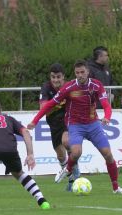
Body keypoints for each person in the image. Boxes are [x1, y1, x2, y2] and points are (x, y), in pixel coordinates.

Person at [28, 60, 122, 194]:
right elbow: (50, 104)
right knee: (76, 152)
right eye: (77, 73)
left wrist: (107, 116)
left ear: (87, 72)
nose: (80, 75)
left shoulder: (96, 85)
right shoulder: (69, 87)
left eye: (82, 72)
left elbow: (105, 104)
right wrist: (35, 121)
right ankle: (68, 169)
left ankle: (116, 188)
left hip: (93, 125)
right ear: (74, 74)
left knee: (108, 155)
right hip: (75, 125)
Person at [39, 63, 80, 191]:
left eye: (58, 77)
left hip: (69, 119)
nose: (55, 80)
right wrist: (58, 103)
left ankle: (75, 174)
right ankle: (71, 178)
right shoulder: (46, 88)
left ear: (63, 77)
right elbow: (43, 109)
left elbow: (81, 101)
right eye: (53, 77)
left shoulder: (71, 87)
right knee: (61, 156)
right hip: (53, 123)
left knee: (66, 141)